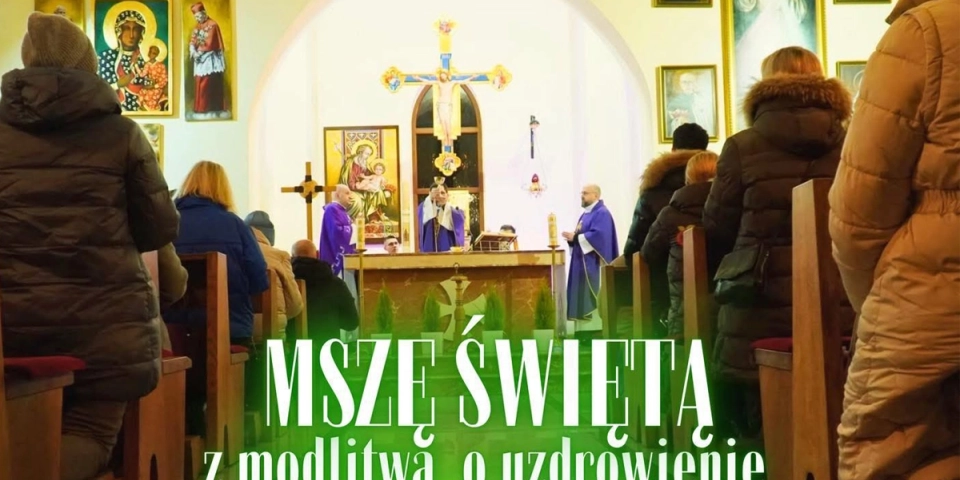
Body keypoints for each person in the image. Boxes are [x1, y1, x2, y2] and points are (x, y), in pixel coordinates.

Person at [0, 13, 179, 480]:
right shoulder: (122, 135)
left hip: (12, 325)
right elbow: (158, 228)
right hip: (105, 327)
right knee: (93, 434)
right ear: (88, 64)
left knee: (13, 432)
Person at [829, 0, 959, 477]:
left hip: (933, 298)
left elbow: (858, 215)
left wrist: (876, 306)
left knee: (894, 452)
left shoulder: (926, 30)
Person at [701, 46, 854, 443]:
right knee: (840, 421)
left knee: (765, 429)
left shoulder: (742, 146)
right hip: (842, 302)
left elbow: (717, 228)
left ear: (767, 83)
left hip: (759, 303)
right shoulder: (853, 142)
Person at [166, 161, 269, 344]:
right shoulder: (236, 225)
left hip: (172, 331)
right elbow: (259, 279)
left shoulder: (167, 224)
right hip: (229, 329)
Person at [641, 151, 719, 340]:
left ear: (687, 179)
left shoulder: (671, 214)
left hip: (685, 315)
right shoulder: (737, 207)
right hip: (733, 313)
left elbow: (648, 255)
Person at [563, 184, 619, 326]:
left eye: (586, 193)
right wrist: (572, 239)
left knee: (592, 296)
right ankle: (583, 331)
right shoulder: (585, 215)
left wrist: (576, 238)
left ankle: (595, 330)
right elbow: (580, 237)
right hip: (580, 263)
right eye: (581, 193)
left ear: (596, 195)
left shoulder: (602, 213)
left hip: (593, 264)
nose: (582, 196)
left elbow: (600, 236)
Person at [244, 211, 304, 341]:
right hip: (274, 334)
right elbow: (295, 304)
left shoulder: (234, 253)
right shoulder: (280, 256)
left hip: (238, 330)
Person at [290, 240, 360, 344]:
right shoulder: (336, 283)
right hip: (328, 347)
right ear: (317, 254)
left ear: (292, 256)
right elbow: (351, 322)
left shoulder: (285, 282)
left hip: (291, 349)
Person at [97, 8, 148, 111]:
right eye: (127, 29)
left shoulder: (145, 60)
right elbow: (98, 91)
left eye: (136, 29)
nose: (131, 35)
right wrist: (117, 84)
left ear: (141, 33)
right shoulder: (106, 57)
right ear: (118, 31)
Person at [188, 2, 227, 119]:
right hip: (199, 58)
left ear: (204, 13)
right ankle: (200, 108)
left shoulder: (212, 25)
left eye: (199, 16)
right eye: (196, 17)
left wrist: (199, 54)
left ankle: (210, 108)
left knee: (208, 82)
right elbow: (193, 39)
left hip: (210, 58)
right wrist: (192, 49)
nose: (198, 19)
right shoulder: (198, 26)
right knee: (200, 81)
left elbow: (210, 43)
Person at [418, 181, 466, 252]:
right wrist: (430, 200)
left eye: (442, 193)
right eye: (436, 193)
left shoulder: (453, 210)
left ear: (447, 195)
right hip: (428, 253)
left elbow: (460, 220)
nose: (439, 196)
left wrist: (444, 206)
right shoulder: (424, 209)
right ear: (429, 194)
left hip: (447, 252)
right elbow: (417, 220)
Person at [319, 184, 356, 276]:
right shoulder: (332, 209)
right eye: (347, 193)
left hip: (347, 260)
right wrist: (354, 228)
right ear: (338, 195)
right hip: (334, 256)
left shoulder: (341, 211)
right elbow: (336, 232)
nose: (350, 196)